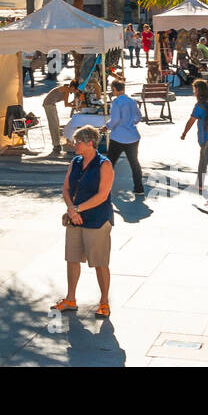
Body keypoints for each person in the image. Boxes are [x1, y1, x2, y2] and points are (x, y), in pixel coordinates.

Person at [51, 126, 115, 318]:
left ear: (89, 143)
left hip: (97, 220)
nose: (74, 144)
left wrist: (78, 209)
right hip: (75, 219)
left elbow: (102, 195)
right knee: (72, 259)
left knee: (99, 262)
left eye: (77, 142)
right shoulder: (75, 162)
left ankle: (104, 302)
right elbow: (66, 189)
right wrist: (72, 210)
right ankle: (70, 299)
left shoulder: (104, 165)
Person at [181, 78, 208, 194]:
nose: (193, 91)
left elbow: (191, 120)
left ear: (197, 90)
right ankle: (199, 184)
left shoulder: (199, 105)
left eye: (194, 89)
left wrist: (184, 133)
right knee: (204, 158)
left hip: (205, 137)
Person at [103, 79, 143, 195]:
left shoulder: (116, 102)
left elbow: (115, 119)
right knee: (134, 162)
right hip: (132, 136)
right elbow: (138, 117)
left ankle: (105, 187)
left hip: (118, 137)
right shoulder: (132, 101)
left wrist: (107, 126)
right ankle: (139, 188)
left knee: (110, 162)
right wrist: (130, 123)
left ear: (115, 89)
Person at [42, 81, 72, 154]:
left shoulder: (66, 89)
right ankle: (56, 144)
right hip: (49, 105)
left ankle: (57, 144)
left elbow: (68, 103)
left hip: (51, 104)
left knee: (56, 124)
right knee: (53, 125)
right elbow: (66, 104)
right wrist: (76, 105)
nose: (74, 92)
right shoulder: (67, 90)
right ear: (72, 87)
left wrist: (74, 103)